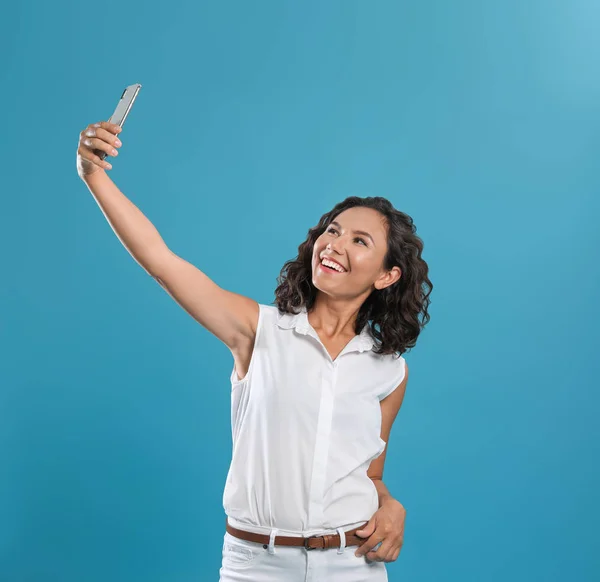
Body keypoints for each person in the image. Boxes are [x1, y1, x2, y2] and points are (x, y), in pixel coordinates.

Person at [76, 121, 433, 581]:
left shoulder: (390, 371)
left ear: (387, 276)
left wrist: (390, 504)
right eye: (333, 230)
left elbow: (370, 474)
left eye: (359, 241)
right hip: (256, 566)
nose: (334, 244)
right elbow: (162, 262)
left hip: (351, 566)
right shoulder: (257, 329)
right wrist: (93, 174)